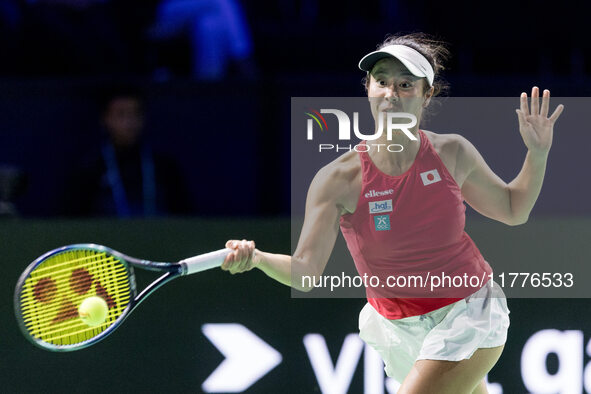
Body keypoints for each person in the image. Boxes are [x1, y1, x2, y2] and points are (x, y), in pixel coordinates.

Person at [220, 33, 564, 393]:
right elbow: (306, 272)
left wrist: (537, 154)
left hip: (469, 314)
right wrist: (257, 258)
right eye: (381, 81)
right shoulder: (338, 179)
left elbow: (513, 209)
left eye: (405, 85)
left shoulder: (452, 153)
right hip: (397, 329)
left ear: (426, 94)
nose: (391, 93)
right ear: (367, 87)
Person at [63, 86, 192, 217]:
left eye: (136, 113)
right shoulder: (89, 169)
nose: (129, 122)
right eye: (121, 114)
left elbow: (185, 215)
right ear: (105, 119)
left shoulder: (164, 166)